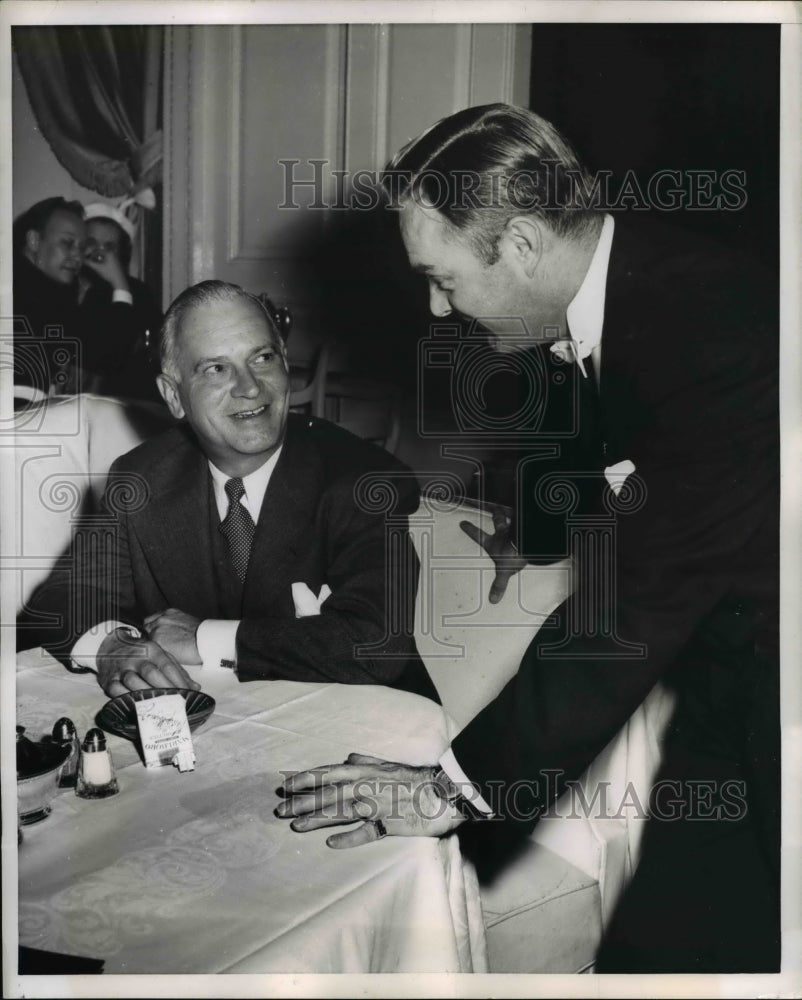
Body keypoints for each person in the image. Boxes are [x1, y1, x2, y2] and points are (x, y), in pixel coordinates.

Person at [276, 104, 780, 973]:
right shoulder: (609, 293)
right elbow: (596, 437)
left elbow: (634, 606)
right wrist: (537, 531)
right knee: (675, 948)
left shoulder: (713, 334)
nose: (437, 311)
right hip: (735, 663)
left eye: (443, 278)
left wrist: (450, 787)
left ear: (516, 244)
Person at [18, 279, 438, 704]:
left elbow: (375, 644)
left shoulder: (364, 478)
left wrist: (204, 638)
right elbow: (64, 597)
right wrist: (115, 645)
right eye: (216, 368)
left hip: (366, 727)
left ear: (286, 364)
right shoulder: (141, 478)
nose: (250, 386)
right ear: (173, 396)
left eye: (263, 357)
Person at [12, 197, 143, 397]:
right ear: (34, 240)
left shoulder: (37, 286)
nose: (77, 256)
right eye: (67, 243)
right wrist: (120, 284)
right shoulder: (32, 293)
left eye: (82, 247)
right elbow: (109, 358)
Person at [79, 202, 163, 401]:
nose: (99, 253)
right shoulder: (64, 284)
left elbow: (116, 360)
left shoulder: (137, 292)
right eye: (91, 243)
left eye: (109, 247)